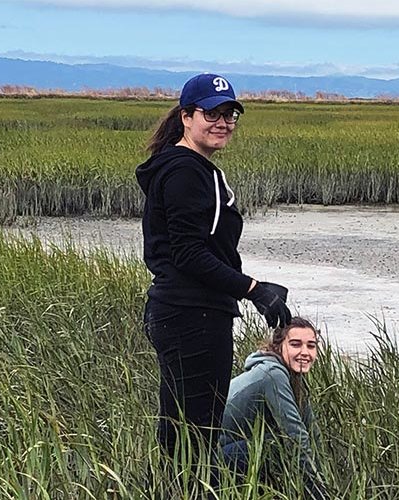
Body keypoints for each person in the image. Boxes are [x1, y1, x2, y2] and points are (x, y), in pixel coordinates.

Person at [135, 72, 292, 460]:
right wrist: (255, 290)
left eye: (230, 114)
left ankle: (174, 487)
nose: (223, 122)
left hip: (184, 311)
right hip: (193, 315)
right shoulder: (186, 171)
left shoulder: (189, 167)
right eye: (212, 113)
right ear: (187, 116)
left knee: (182, 433)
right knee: (197, 437)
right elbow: (189, 254)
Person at [220, 317, 329, 499]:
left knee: (283, 446)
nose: (305, 352)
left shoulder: (294, 380)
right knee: (278, 445)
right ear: (278, 346)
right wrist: (319, 494)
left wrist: (324, 481)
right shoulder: (273, 374)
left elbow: (311, 433)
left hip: (238, 452)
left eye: (311, 346)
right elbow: (295, 436)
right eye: (295, 344)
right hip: (216, 459)